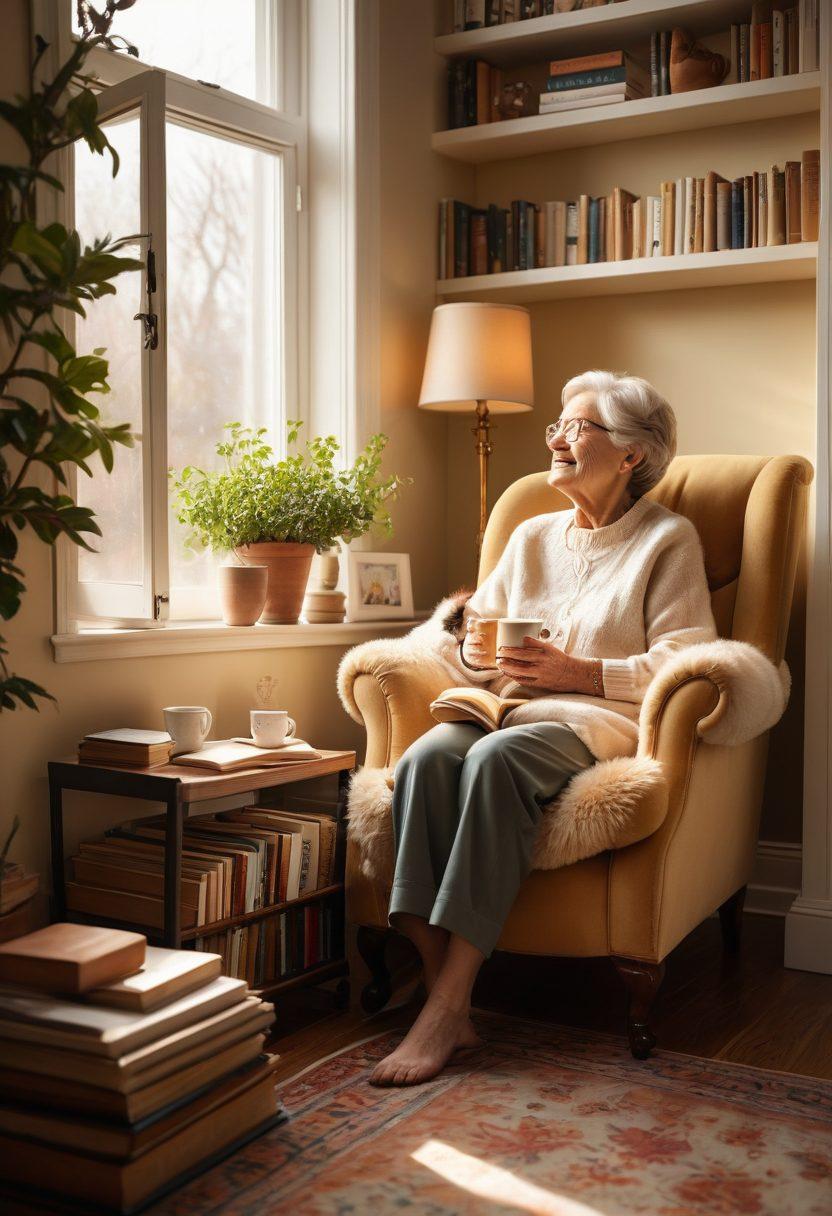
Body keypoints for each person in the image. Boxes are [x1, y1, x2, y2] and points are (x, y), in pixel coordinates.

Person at [368, 369, 718, 1088]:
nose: (555, 437)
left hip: (597, 718)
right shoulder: (530, 534)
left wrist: (581, 675)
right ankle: (446, 993)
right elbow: (476, 637)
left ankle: (444, 1008)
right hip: (505, 705)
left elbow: (691, 660)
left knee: (496, 760)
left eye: (576, 426)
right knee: (428, 760)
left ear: (630, 454)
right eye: (557, 424)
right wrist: (472, 647)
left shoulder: (667, 540)